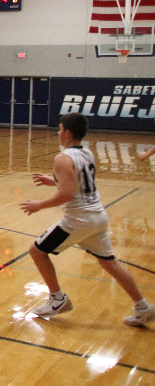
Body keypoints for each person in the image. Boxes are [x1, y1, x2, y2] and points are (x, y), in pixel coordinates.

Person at [20, 112, 154, 325]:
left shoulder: (62, 158)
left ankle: (57, 299)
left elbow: (66, 194)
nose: (57, 133)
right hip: (98, 217)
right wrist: (53, 180)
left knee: (37, 252)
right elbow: (79, 181)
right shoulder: (87, 152)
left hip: (78, 220)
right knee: (110, 264)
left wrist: (39, 205)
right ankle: (143, 307)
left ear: (67, 133)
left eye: (60, 129)